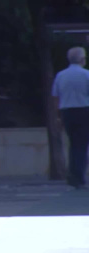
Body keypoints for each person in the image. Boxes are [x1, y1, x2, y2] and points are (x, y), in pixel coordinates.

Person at [52, 46, 89, 190]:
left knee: (73, 144)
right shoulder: (86, 74)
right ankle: (78, 176)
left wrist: (58, 116)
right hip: (84, 110)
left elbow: (56, 96)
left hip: (66, 111)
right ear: (81, 59)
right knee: (82, 144)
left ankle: (73, 174)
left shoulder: (60, 75)